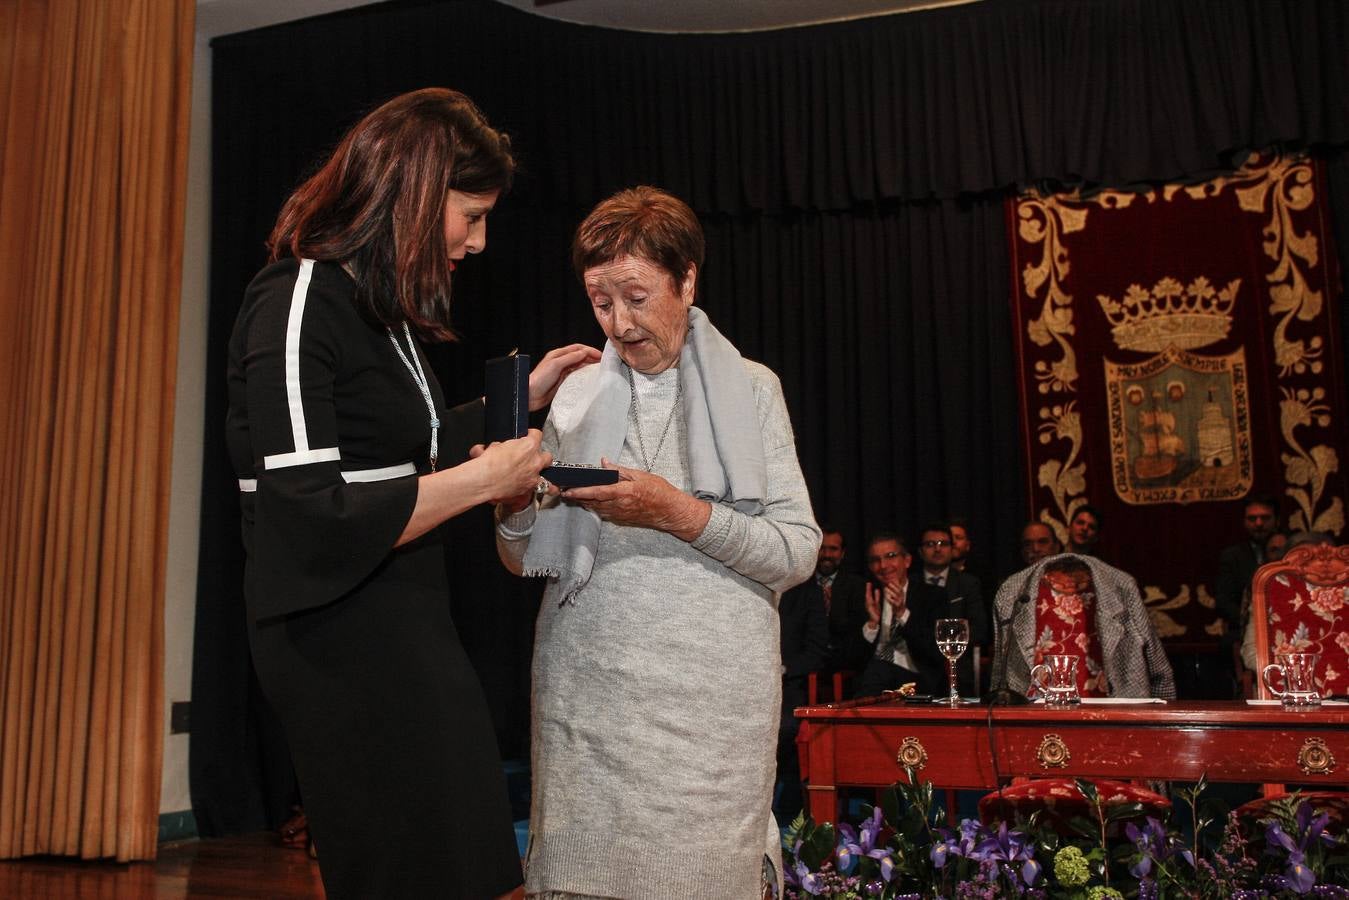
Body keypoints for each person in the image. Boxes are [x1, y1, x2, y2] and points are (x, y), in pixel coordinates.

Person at [226, 88, 599, 899]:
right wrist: (479, 482)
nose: (477, 240)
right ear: (415, 192)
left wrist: (519, 398)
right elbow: (307, 511)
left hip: (402, 615)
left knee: (461, 864)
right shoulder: (295, 298)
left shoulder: (380, 312)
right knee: (415, 869)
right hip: (334, 633)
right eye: (470, 213)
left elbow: (401, 451)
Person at [494, 186, 820, 898]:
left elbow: (795, 553)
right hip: (585, 702)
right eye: (600, 301)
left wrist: (674, 511)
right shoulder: (573, 396)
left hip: (708, 714)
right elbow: (524, 557)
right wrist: (511, 500)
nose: (619, 323)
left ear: (688, 278)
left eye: (637, 296)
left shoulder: (753, 390)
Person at [991, 554, 1176, 700]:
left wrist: (1163, 729)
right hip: (1031, 721)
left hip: (1117, 723)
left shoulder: (1121, 588)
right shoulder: (1013, 591)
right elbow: (1000, 674)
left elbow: (1158, 669)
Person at [852, 533, 948, 698]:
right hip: (874, 679)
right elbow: (851, 657)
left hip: (918, 678)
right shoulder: (866, 597)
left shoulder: (932, 596)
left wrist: (902, 614)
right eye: (875, 560)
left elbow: (935, 651)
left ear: (907, 561)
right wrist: (872, 625)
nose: (883, 565)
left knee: (880, 670)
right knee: (878, 669)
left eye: (890, 556)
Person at [775, 561, 829, 822]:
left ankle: (784, 812)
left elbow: (816, 652)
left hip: (788, 683)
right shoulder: (745, 579)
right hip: (743, 680)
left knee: (783, 729)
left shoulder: (807, 591)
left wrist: (782, 669)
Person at [780, 525, 871, 677]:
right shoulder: (797, 585)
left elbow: (856, 633)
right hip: (800, 660)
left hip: (842, 661)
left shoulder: (857, 587)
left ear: (842, 553)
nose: (826, 554)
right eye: (822, 548)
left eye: (833, 549)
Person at [916, 523, 986, 695]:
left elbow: (979, 629)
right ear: (920, 551)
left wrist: (947, 644)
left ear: (952, 549)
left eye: (943, 544)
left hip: (955, 661)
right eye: (930, 544)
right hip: (916, 660)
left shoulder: (968, 584)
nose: (937, 549)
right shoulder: (911, 583)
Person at [1215, 494, 1282, 641]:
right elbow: (1223, 602)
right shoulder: (1232, 556)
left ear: (1277, 521)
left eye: (1265, 518)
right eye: (1252, 519)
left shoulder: (1290, 550)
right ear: (1244, 522)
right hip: (1245, 631)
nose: (1258, 523)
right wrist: (1255, 620)